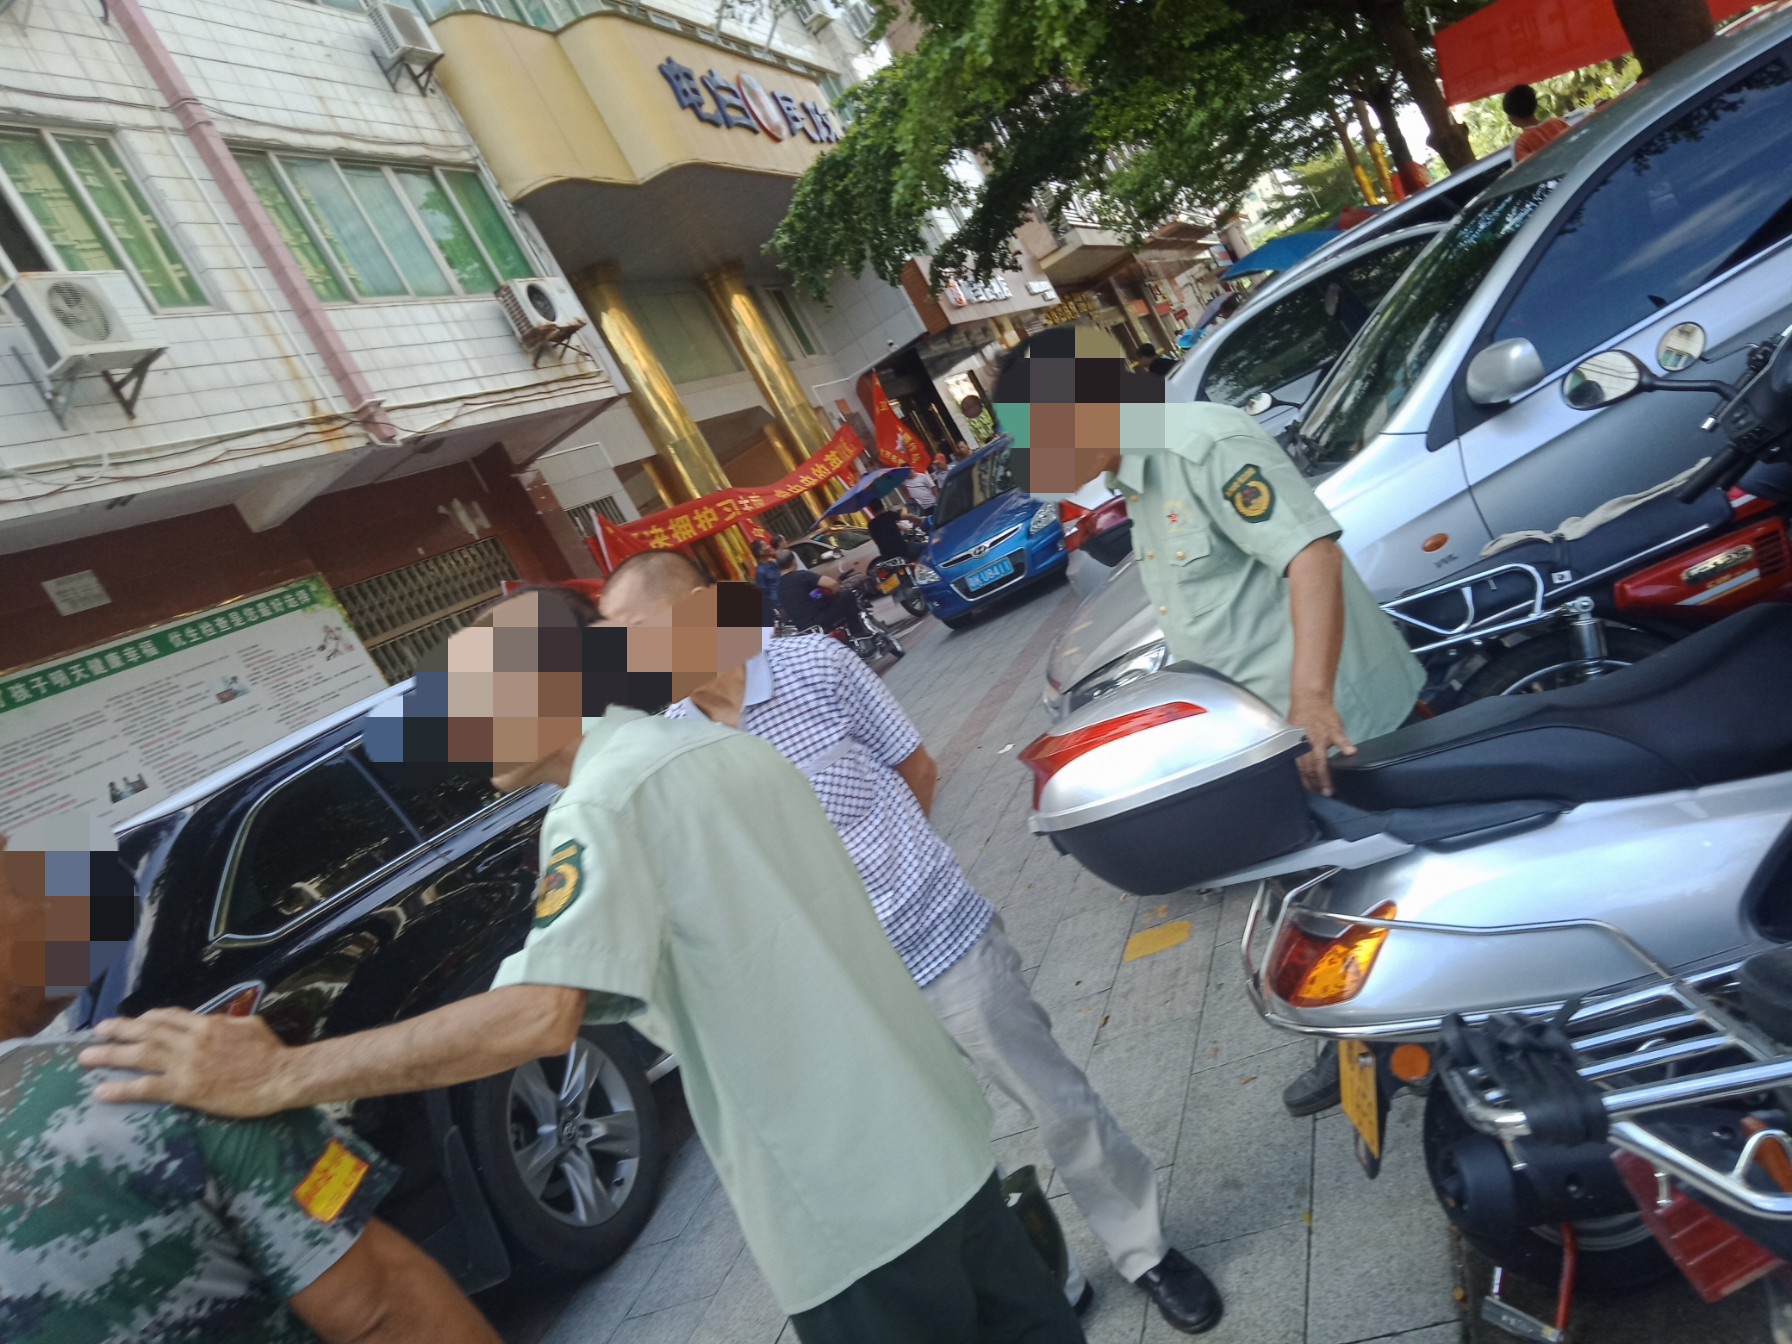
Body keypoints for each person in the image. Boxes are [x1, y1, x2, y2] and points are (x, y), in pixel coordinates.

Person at [77, 589, 1082, 1344]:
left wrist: (281, 1073)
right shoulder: (726, 753)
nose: (457, 733)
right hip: (943, 1146)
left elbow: (535, 1019)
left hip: (853, 1216)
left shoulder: (603, 803)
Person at [603, 553, 1224, 1336]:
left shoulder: (813, 666)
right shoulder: (671, 745)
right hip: (844, 997)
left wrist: (892, 876)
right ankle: (1040, 1278)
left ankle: (1146, 1250)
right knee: (944, 1152)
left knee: (1055, 1100)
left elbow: (916, 767)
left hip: (940, 937)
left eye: (636, 632)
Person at [998, 323, 1425, 1117]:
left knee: (1395, 883)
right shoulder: (1138, 481)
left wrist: (1312, 698)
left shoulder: (1201, 444)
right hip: (1271, 743)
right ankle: (1362, 1032)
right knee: (1326, 890)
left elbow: (1311, 556)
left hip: (1343, 721)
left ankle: (1429, 1028)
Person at [0, 833, 502, 1344]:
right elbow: (388, 1313)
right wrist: (281, 1075)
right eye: (17, 877)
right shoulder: (164, 1075)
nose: (54, 895)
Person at [774, 548, 860, 633]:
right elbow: (832, 584)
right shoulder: (801, 575)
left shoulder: (778, 587)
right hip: (819, 622)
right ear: (794, 562)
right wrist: (836, 590)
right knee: (847, 595)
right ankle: (858, 633)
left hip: (803, 629)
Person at [1503, 84, 1571, 163]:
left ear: (1513, 117)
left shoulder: (1521, 144)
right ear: (1535, 105)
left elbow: (1529, 168)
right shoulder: (1558, 123)